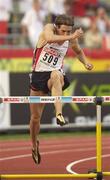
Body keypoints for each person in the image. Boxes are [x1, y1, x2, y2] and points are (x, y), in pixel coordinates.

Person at [29, 14, 93, 165]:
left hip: (54, 75)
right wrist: (72, 35)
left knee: (57, 75)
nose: (66, 34)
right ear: (57, 27)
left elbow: (77, 51)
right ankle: (33, 145)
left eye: (68, 31)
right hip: (38, 76)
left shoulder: (71, 37)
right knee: (35, 118)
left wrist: (86, 62)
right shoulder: (48, 29)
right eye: (63, 31)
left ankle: (59, 114)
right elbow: (50, 38)